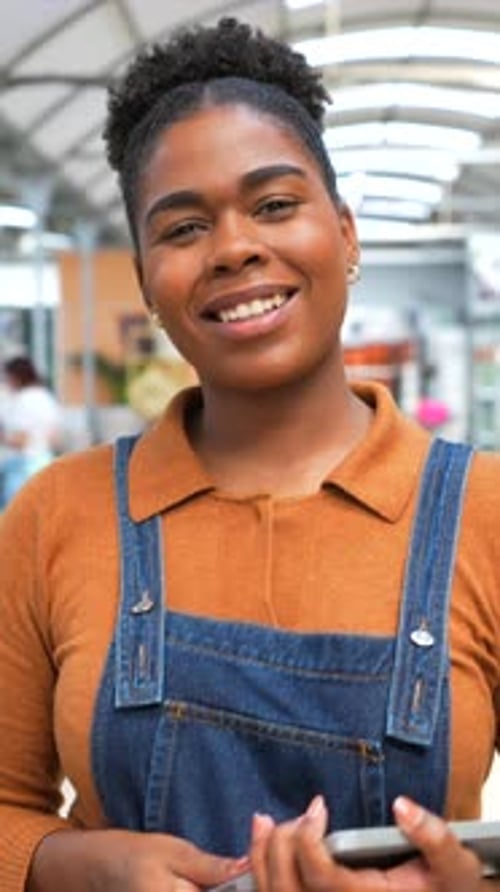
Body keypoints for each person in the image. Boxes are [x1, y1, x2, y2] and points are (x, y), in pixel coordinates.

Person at [0, 16, 498, 892]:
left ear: (345, 233)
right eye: (183, 228)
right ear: (150, 281)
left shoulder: (484, 515)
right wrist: (72, 865)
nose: (234, 247)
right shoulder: (56, 516)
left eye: (274, 205)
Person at [0, 355, 63, 507]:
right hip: (44, 460)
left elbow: (21, 440)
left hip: (22, 467)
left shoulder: (23, 400)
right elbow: (55, 438)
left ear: (15, 376)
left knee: (14, 519)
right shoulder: (46, 397)